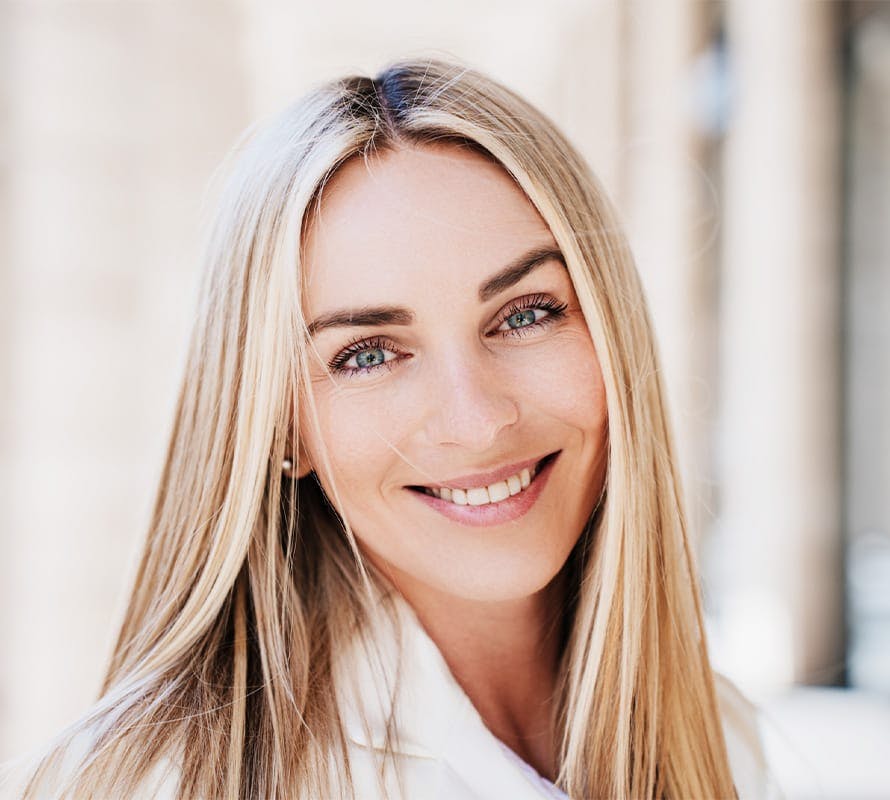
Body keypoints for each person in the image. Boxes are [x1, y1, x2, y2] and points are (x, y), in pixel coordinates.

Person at [4, 57, 779, 799]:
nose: (476, 421)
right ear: (279, 427)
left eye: (527, 314)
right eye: (368, 354)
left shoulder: (720, 735)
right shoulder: (151, 783)